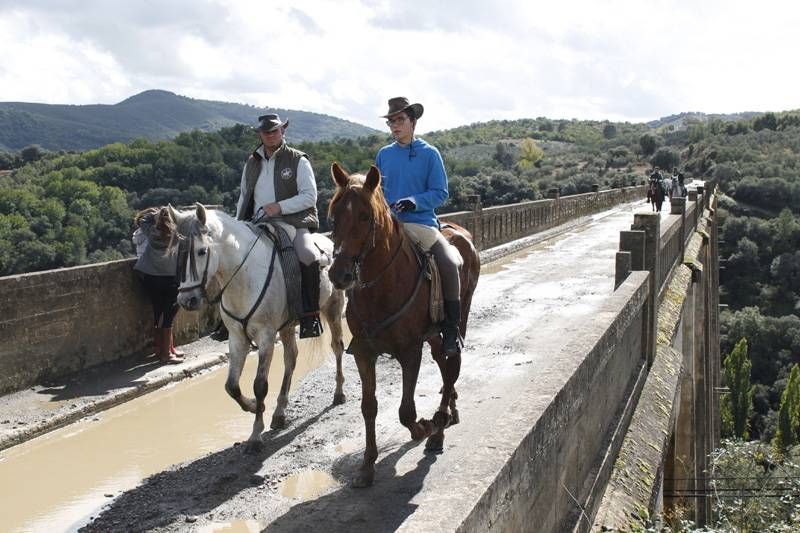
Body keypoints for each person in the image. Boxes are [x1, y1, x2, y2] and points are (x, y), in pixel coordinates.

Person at [375, 97, 463, 357]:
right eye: (391, 121)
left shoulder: (430, 154)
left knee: (448, 262)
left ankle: (450, 329)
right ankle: (364, 329)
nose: (395, 125)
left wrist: (414, 202)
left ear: (413, 122)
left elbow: (441, 193)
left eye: (400, 120)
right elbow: (376, 193)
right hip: (390, 225)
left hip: (421, 223)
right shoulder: (384, 154)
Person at [236, 113, 323, 338]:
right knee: (231, 259)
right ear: (260, 135)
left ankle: (310, 317)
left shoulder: (298, 160)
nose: (271, 135)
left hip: (294, 221)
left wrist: (279, 207)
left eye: (275, 131)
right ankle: (231, 319)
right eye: (266, 132)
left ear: (283, 131)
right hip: (257, 223)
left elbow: (310, 196)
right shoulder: (252, 162)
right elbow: (244, 196)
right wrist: (237, 226)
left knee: (307, 256)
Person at [132, 206, 185, 364]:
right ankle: (165, 355)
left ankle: (162, 350)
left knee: (158, 313)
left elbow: (143, 219)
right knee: (168, 316)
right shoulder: (176, 234)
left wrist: (155, 213)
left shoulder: (151, 232)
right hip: (170, 280)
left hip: (150, 277)